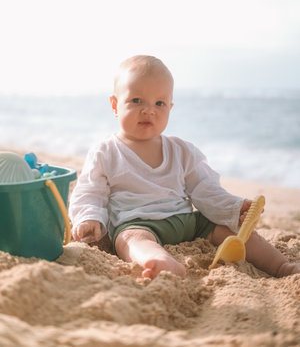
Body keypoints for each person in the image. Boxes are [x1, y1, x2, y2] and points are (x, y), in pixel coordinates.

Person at [69, 55, 300, 279]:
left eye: (159, 103)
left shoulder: (181, 150)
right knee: (128, 241)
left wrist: (232, 208)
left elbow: (205, 190)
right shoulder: (106, 151)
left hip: (186, 221)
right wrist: (89, 218)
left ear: (170, 107)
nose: (149, 110)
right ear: (115, 104)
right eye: (136, 100)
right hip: (138, 222)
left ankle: (282, 266)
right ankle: (161, 261)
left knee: (230, 231)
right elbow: (91, 191)